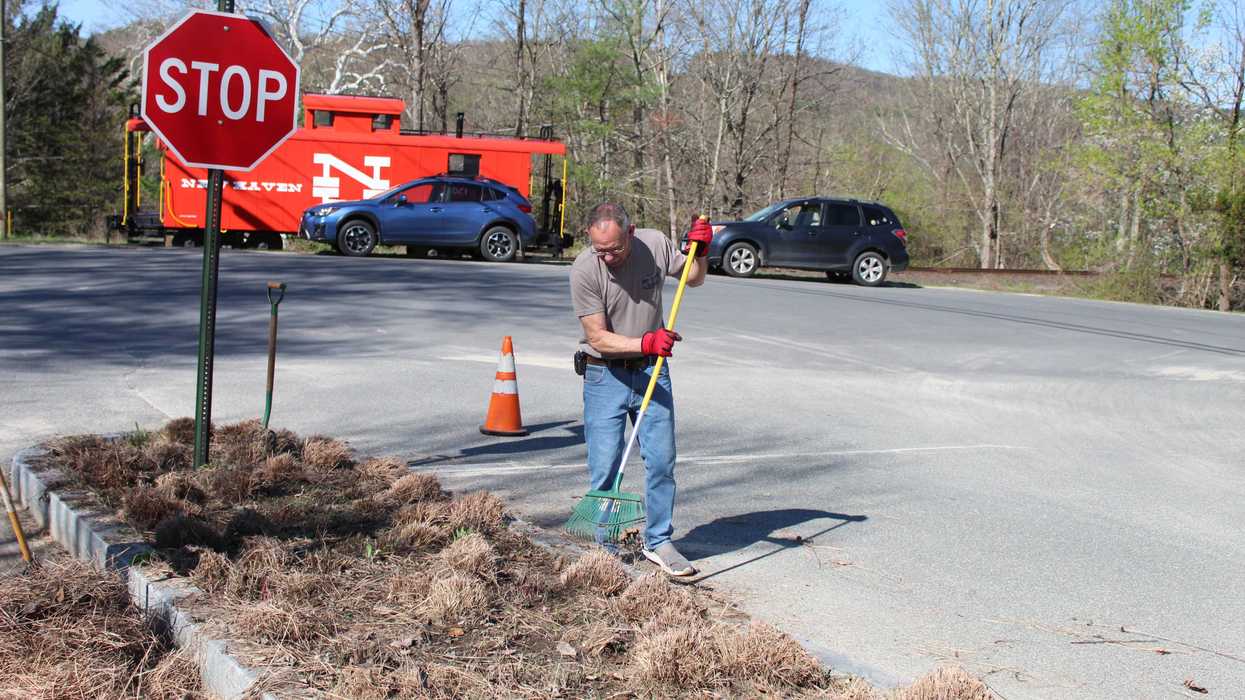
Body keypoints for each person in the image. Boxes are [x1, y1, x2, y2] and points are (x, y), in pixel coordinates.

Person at [569, 202, 712, 577]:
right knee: (605, 467)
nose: (608, 257)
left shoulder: (655, 245)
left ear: (630, 233)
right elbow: (598, 338)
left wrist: (702, 251)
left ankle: (659, 540)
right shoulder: (585, 269)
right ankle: (605, 545)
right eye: (600, 250)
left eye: (615, 248)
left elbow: (693, 278)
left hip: (652, 371)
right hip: (604, 376)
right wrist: (647, 342)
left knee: (662, 462)